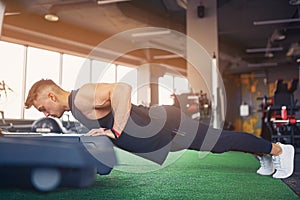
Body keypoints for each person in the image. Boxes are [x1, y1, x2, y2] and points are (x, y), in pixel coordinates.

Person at [24, 79, 295, 179]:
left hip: (168, 126)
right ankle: (264, 154)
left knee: (221, 142)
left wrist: (115, 130)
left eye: (42, 109)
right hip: (164, 129)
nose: (45, 115)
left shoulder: (81, 96)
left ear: (50, 97)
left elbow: (122, 88)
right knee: (220, 143)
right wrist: (103, 133)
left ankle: (279, 150)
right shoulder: (78, 104)